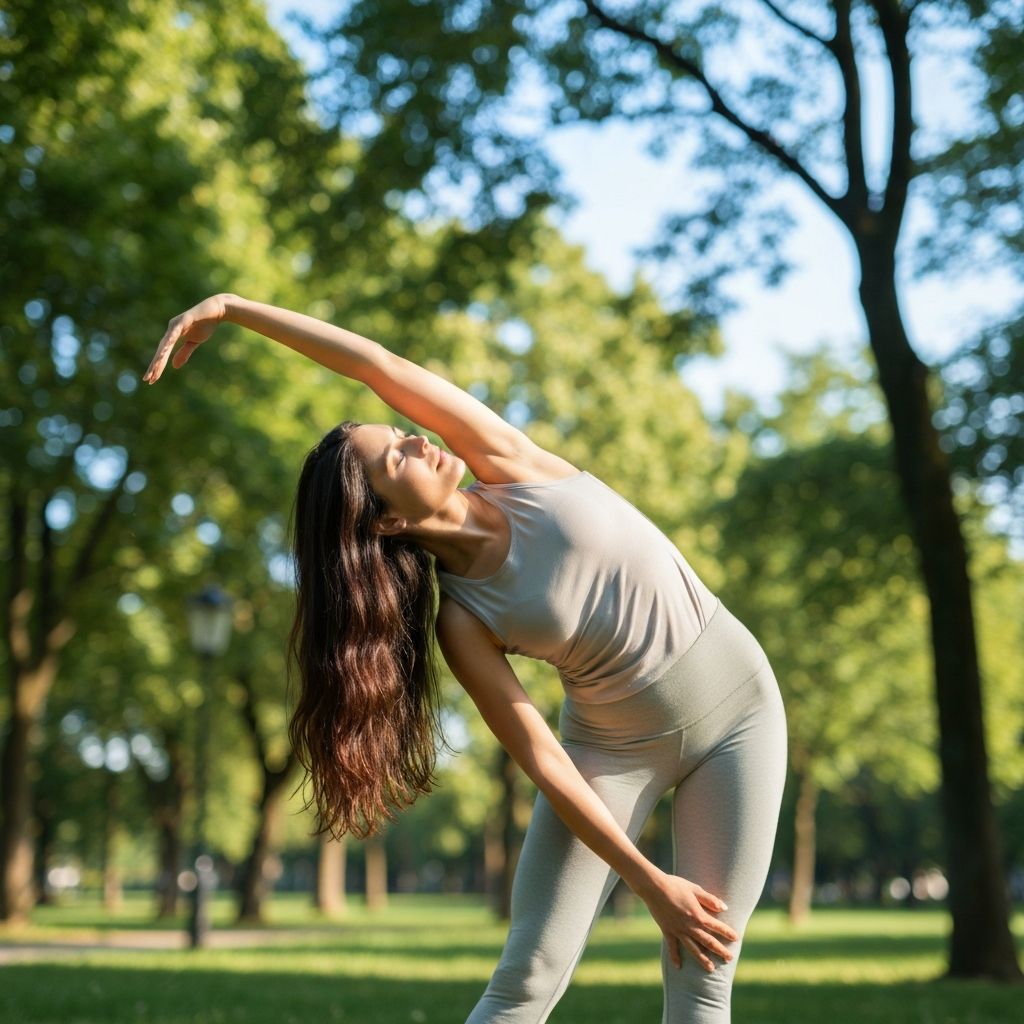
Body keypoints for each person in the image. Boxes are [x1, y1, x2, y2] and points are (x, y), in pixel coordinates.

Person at [144, 294, 788, 1023]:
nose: (418, 439)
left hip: (742, 712)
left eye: (403, 432)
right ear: (386, 519)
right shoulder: (464, 621)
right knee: (525, 978)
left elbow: (377, 366)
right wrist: (647, 883)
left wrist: (234, 310)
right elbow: (544, 757)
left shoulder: (510, 464)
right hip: (610, 752)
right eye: (397, 454)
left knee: (704, 976)